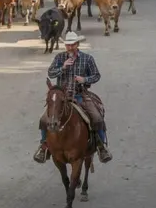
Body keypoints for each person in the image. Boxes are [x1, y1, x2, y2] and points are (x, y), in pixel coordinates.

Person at [34, 32, 111, 163]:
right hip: (61, 97)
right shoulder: (59, 58)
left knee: (97, 118)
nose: (70, 47)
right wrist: (62, 67)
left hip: (80, 94)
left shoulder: (87, 59)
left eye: (72, 45)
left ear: (77, 44)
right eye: (68, 45)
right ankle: (44, 146)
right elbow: (51, 73)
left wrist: (84, 79)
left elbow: (96, 75)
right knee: (43, 120)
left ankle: (101, 146)